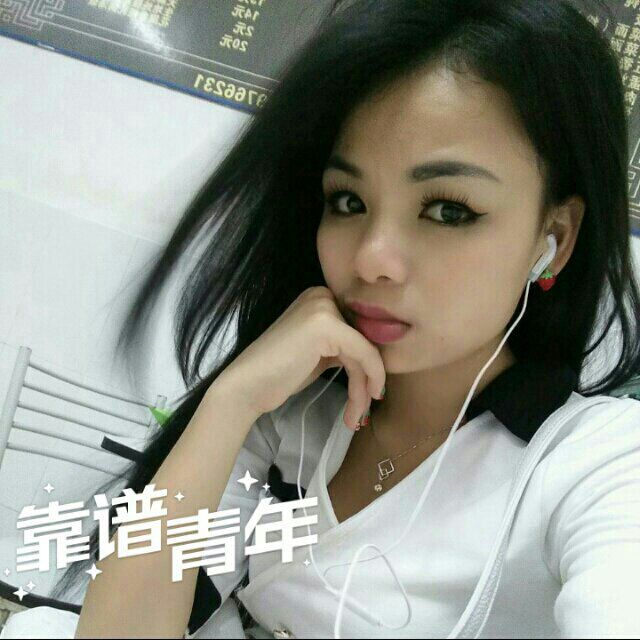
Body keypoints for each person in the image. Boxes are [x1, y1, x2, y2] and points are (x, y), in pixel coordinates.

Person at [5, 0, 640, 638]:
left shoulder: (596, 463)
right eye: (348, 201)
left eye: (448, 210)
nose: (371, 259)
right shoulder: (293, 416)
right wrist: (231, 400)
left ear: (554, 237)